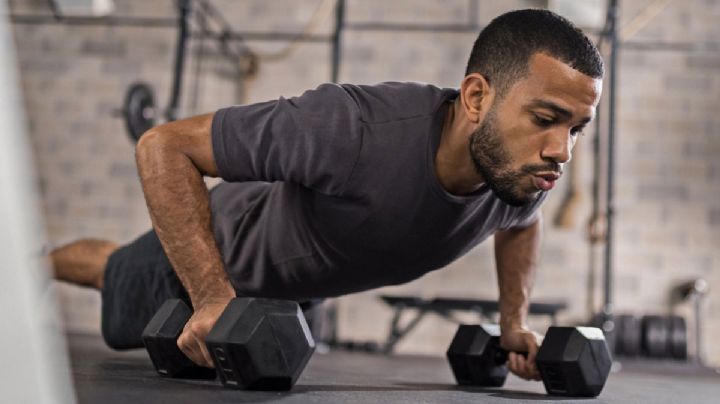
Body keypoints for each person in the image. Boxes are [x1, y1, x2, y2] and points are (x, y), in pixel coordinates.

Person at [51, 9, 603, 382]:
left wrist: (514, 320)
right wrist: (213, 296)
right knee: (113, 272)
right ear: (477, 96)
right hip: (214, 259)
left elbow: (521, 224)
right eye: (546, 118)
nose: (562, 150)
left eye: (576, 128)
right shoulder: (353, 128)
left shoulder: (519, 175)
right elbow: (163, 145)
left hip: (292, 296)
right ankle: (32, 266)